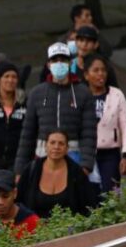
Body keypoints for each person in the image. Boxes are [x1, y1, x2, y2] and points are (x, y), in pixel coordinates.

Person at [15, 43, 97, 176]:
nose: (59, 63)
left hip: (74, 157)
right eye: (54, 60)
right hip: (42, 156)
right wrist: (19, 170)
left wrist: (86, 165)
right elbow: (27, 134)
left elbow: (89, 132)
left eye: (63, 60)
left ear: (70, 63)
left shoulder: (83, 93)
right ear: (48, 64)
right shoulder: (37, 93)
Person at [17, 130, 98, 219]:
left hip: (69, 230)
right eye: (52, 142)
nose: (56, 147)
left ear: (67, 148)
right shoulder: (31, 169)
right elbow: (19, 202)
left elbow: (89, 206)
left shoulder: (76, 173)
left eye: (61, 144)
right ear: (45, 146)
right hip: (35, 229)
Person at [85, 54, 126, 193]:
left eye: (103, 70)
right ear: (86, 75)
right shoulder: (80, 95)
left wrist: (125, 155)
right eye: (96, 70)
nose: (101, 74)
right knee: (90, 198)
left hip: (111, 154)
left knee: (111, 196)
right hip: (86, 154)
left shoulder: (116, 95)